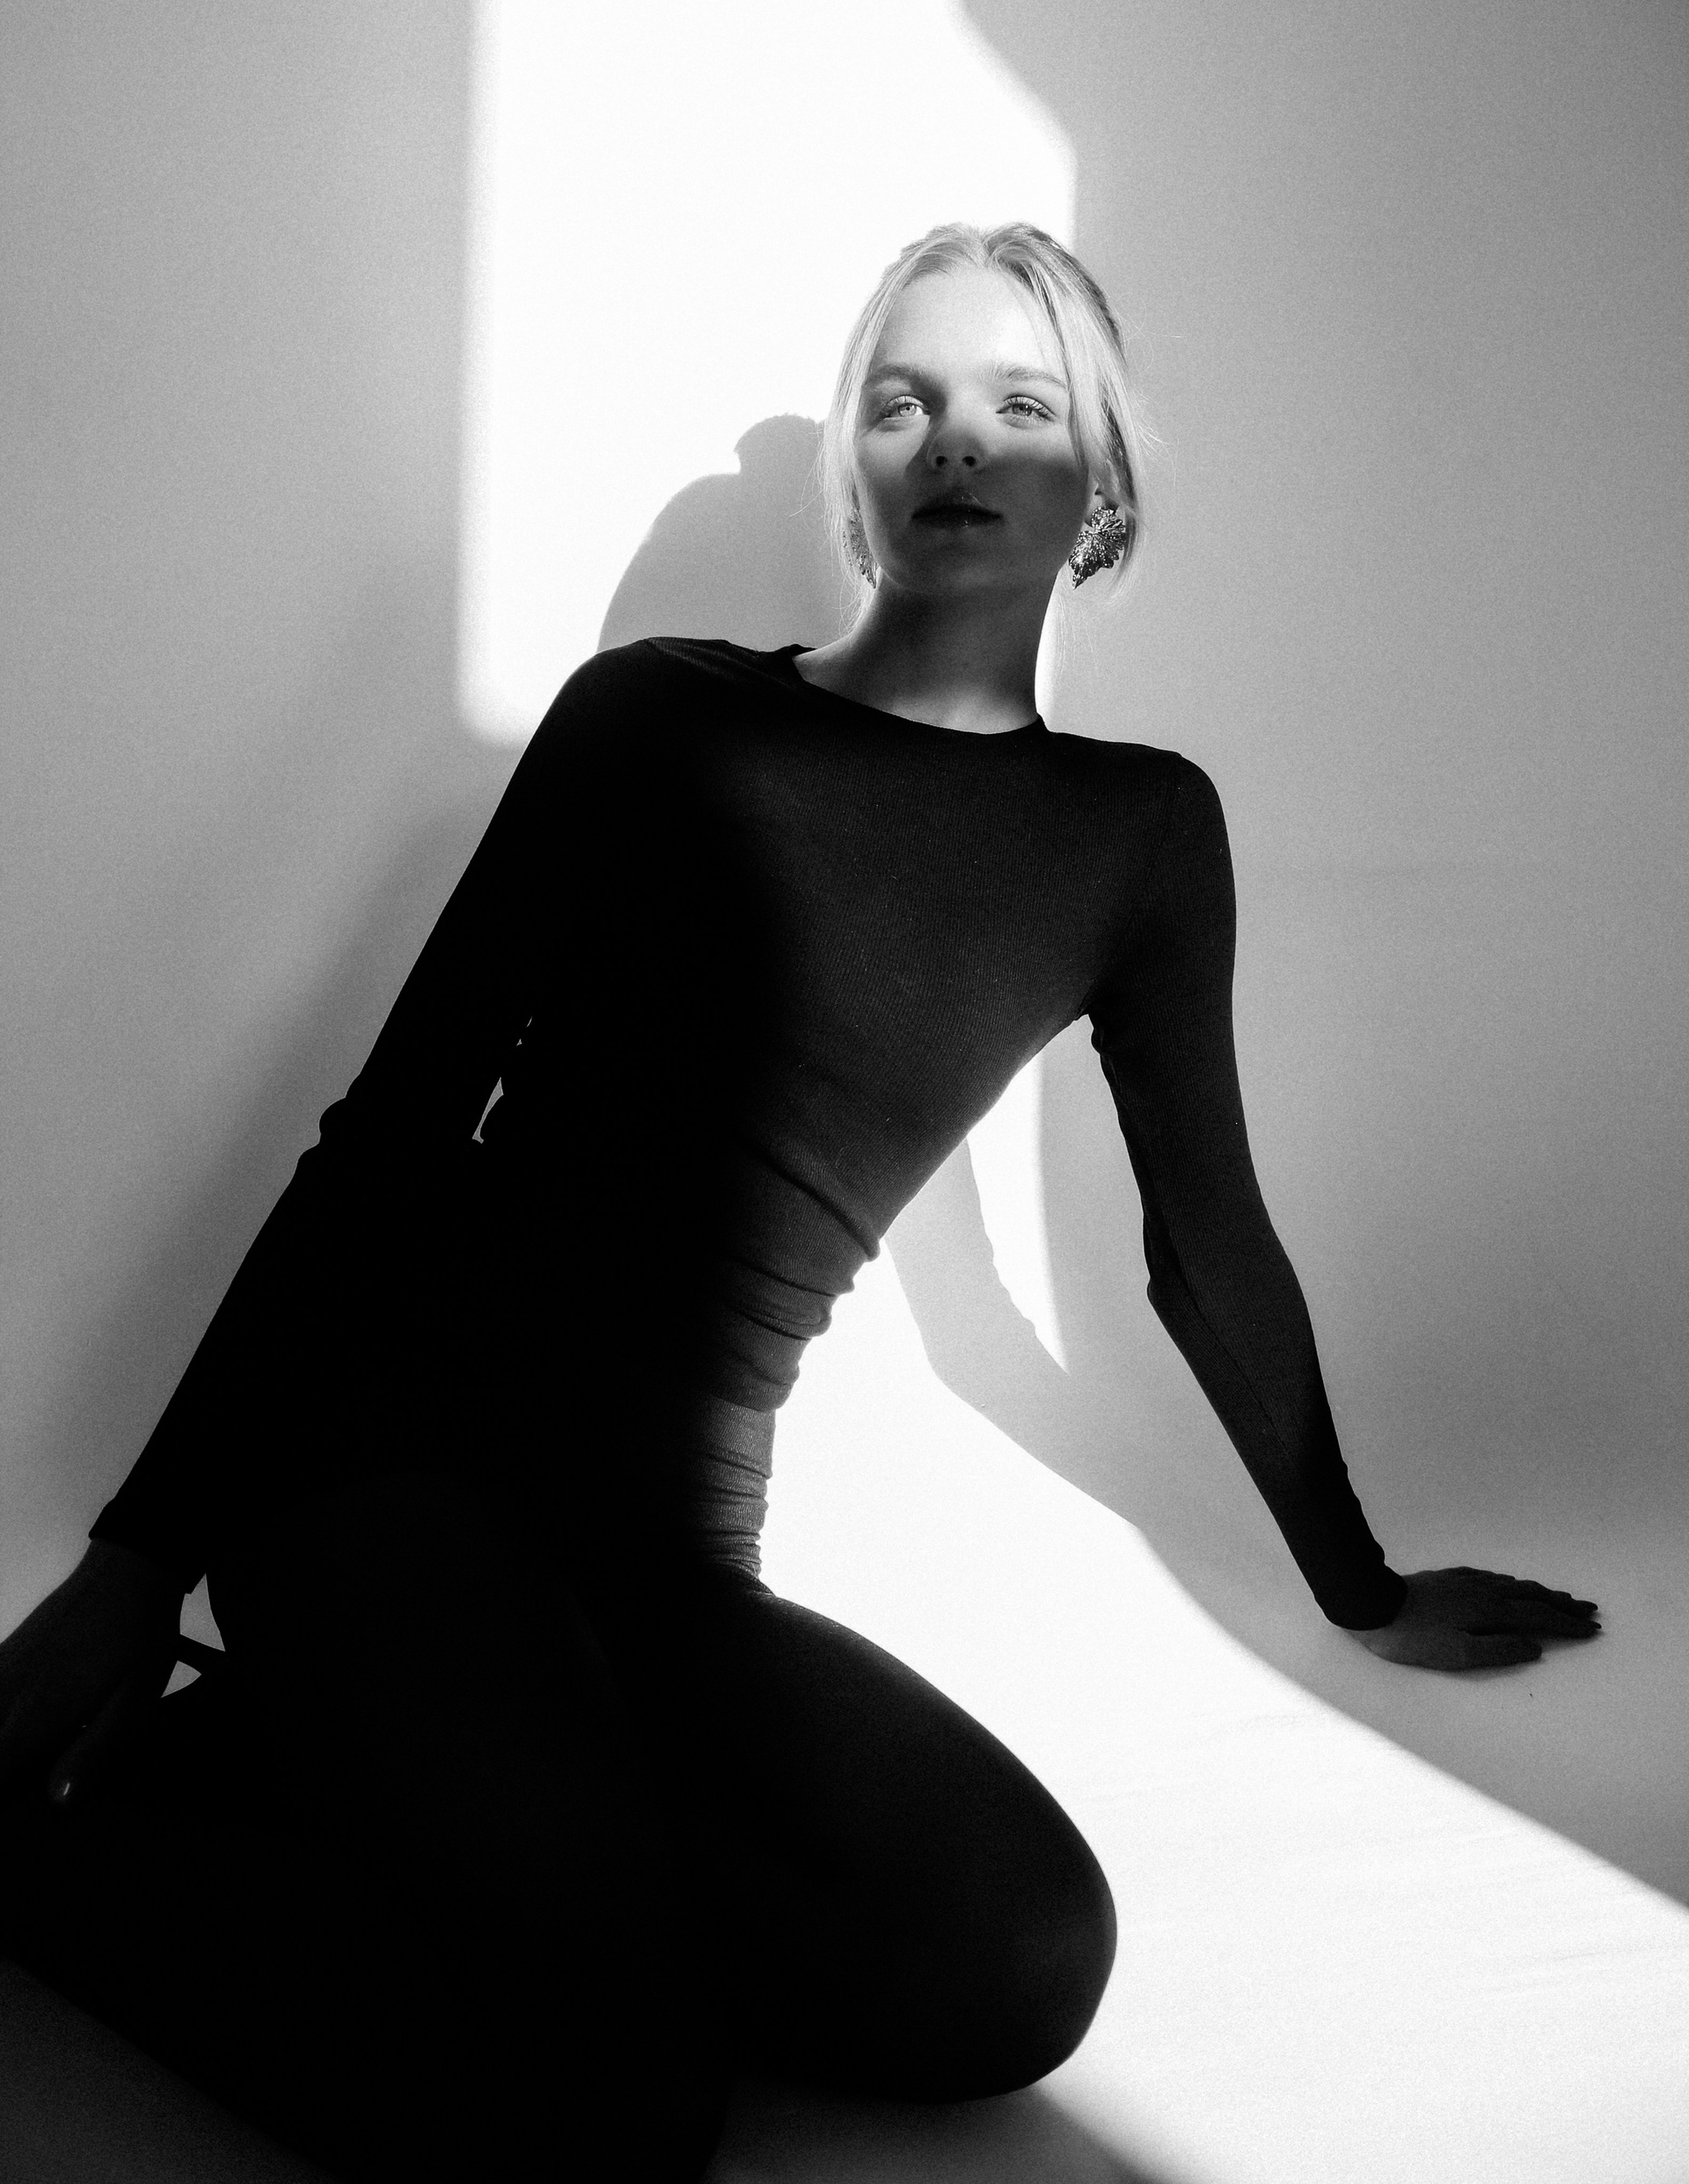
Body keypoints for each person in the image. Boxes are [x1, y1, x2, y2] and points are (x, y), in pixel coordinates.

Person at [0, 223, 1599, 2182]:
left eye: (1021, 404)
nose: (957, 440)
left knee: (1017, 1963)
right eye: (903, 401)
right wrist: (136, 1558)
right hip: (384, 1485)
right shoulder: (654, 717)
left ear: (1100, 489)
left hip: (667, 1564)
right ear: (856, 472)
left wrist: (1359, 1580)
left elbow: (1208, 1245)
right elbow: (393, 1139)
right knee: (615, 2111)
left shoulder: (1138, 832)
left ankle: (323, 1785)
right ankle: (49, 1847)